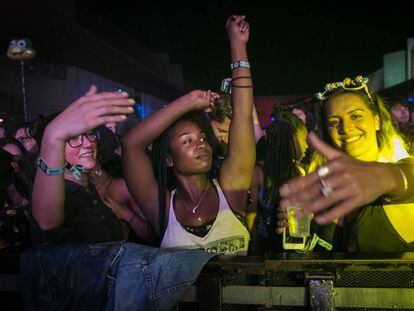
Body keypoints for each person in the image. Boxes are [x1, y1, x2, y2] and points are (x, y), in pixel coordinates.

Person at [122, 15, 255, 255]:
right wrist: (188, 102)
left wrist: (238, 46)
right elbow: (131, 145)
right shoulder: (161, 208)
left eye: (203, 138)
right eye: (188, 141)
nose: (201, 144)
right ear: (168, 159)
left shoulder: (230, 189)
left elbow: (243, 113)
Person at [279, 76, 414, 252]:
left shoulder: (399, 168)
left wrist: (385, 177)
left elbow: (406, 175)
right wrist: (298, 236)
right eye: (334, 122)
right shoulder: (326, 186)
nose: (346, 127)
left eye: (356, 116)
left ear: (377, 120)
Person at [31, 85, 137, 245]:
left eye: (89, 134)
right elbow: (47, 221)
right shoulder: (56, 195)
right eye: (73, 138)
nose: (87, 143)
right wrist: (52, 134)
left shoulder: (91, 187)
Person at [250, 108, 308, 254]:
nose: (307, 146)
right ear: (290, 140)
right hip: (265, 249)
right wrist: (256, 253)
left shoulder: (298, 172)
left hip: (293, 247)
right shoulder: (258, 173)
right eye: (304, 140)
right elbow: (250, 220)